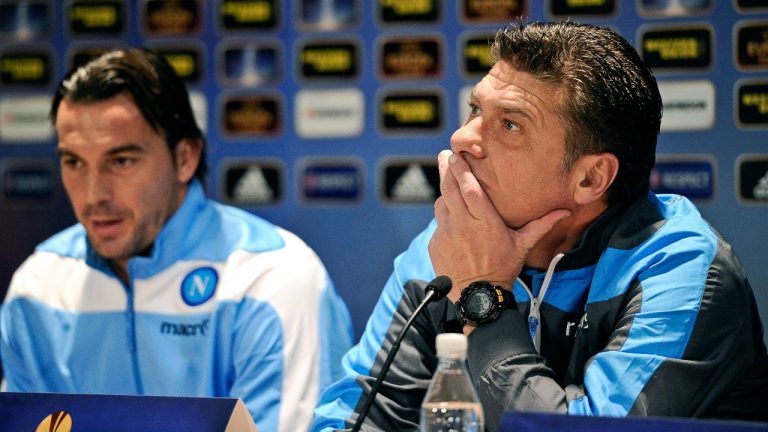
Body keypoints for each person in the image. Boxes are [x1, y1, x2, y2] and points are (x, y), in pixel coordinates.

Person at [312, 21, 768, 431]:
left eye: (509, 125)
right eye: (476, 111)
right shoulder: (446, 248)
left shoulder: (683, 268)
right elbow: (350, 421)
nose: (463, 139)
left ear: (590, 178)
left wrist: (483, 293)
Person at [0, 47, 353, 432]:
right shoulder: (37, 288)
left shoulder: (271, 279)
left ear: (185, 157)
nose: (92, 195)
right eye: (74, 162)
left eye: (121, 161)